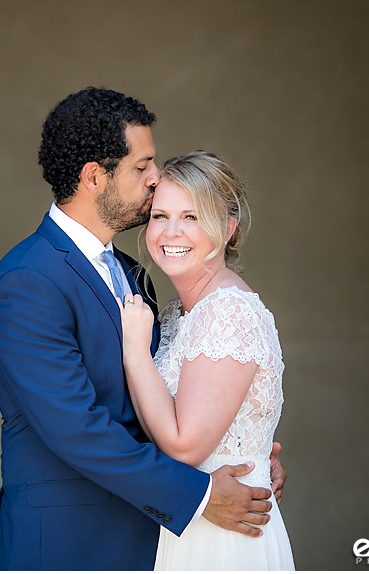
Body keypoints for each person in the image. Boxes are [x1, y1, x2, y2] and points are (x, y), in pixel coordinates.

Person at [0, 88, 287, 571]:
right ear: (95, 177)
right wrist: (200, 493)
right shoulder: (28, 282)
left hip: (147, 540)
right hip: (64, 545)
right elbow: (77, 428)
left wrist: (248, 451)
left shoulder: (130, 270)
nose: (156, 179)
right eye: (142, 167)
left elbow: (160, 400)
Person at [120, 150, 295, 569]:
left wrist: (134, 352)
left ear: (229, 228)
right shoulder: (176, 314)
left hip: (223, 539)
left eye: (192, 217)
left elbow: (184, 447)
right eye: (160, 216)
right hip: (184, 524)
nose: (171, 232)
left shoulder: (228, 311)